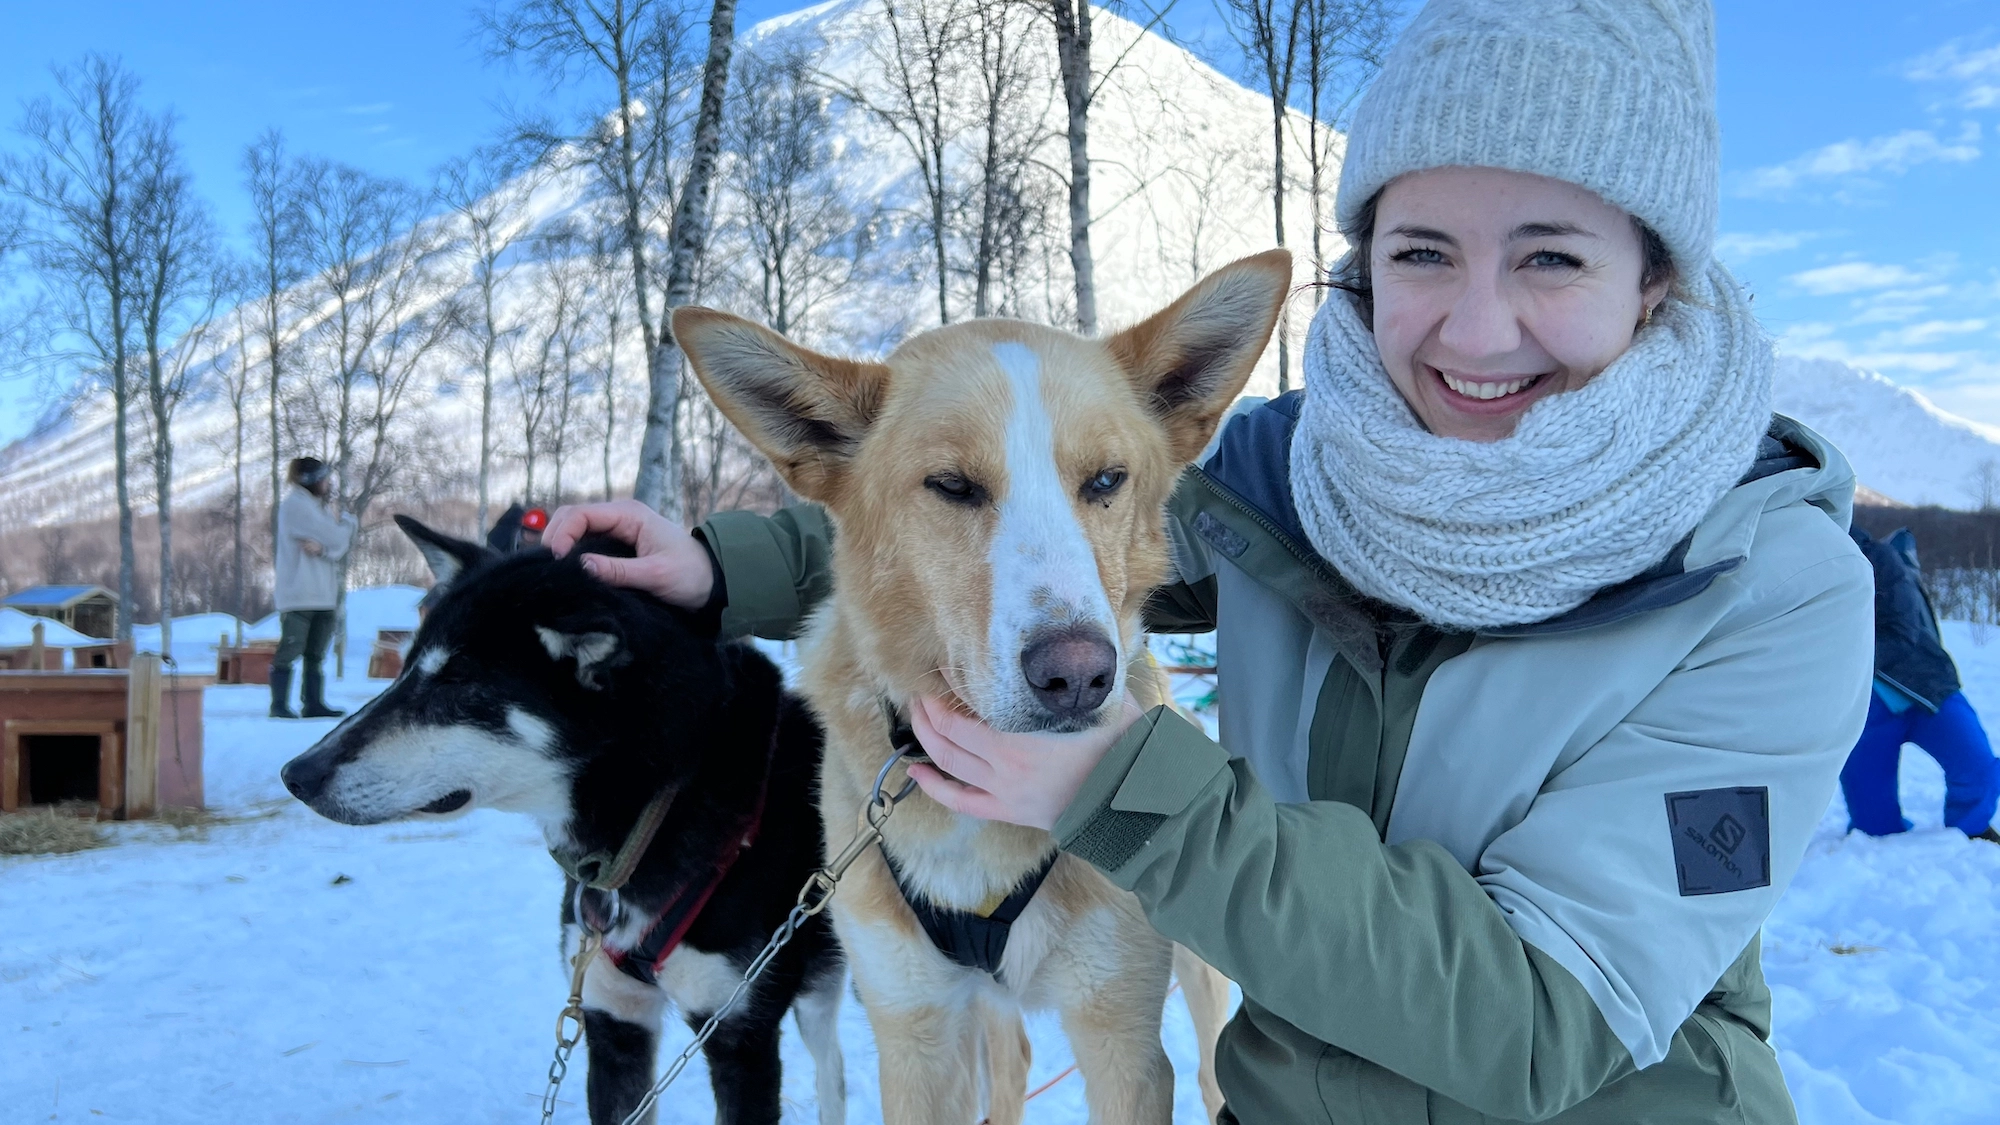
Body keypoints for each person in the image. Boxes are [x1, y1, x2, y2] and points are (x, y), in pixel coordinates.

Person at [547, 0, 1875, 1118]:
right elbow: (994, 522)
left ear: (1653, 277)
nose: (1479, 328)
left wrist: (1139, 796)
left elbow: (1542, 1021)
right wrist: (720, 570)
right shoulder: (1298, 479)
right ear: (1371, 265)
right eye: (1423, 251)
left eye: (1552, 255)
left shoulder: (1768, 589)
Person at [1842, 526, 2000, 842]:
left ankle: (1971, 830)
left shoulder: (1877, 558)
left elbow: (1902, 631)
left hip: (1927, 685)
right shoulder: (1791, 564)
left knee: (1977, 768)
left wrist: (1836, 660)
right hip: (1866, 705)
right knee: (1872, 827)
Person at [273, 457, 356, 719]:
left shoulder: (316, 508)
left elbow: (337, 546)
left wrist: (326, 549)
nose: (327, 483)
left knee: (316, 654)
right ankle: (279, 705)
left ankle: (313, 702)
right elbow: (338, 537)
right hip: (299, 594)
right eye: (322, 478)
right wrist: (346, 524)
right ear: (309, 481)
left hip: (323, 594)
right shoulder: (295, 506)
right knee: (290, 650)